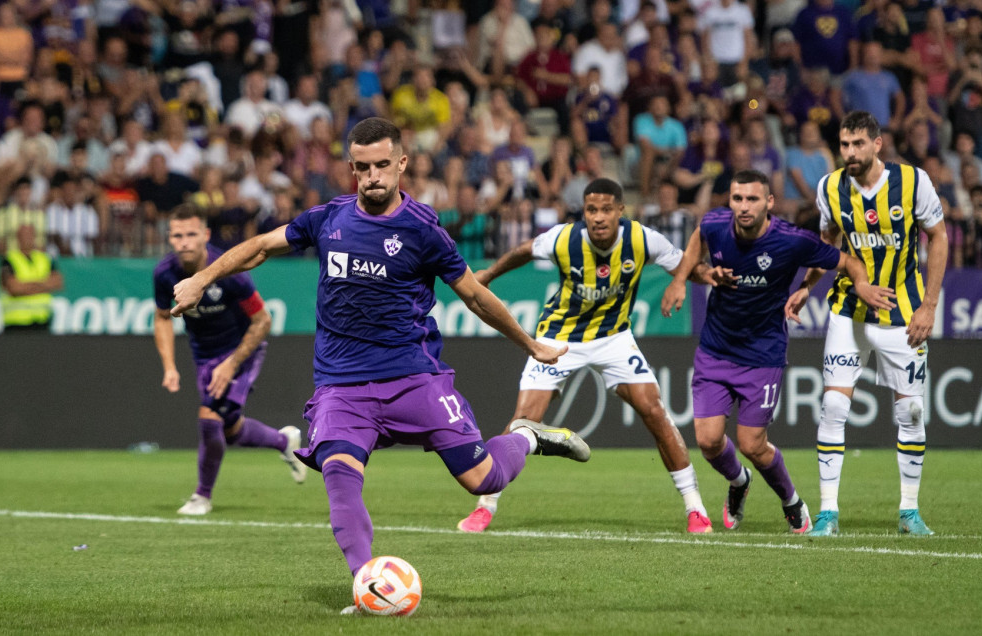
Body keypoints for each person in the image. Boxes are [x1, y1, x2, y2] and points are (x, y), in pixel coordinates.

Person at [170, 118, 590, 606]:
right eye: (362, 167)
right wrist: (203, 278)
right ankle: (367, 584)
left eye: (383, 165)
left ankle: (526, 436)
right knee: (340, 482)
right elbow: (262, 246)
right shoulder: (329, 218)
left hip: (414, 378)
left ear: (402, 164)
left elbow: (474, 295)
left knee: (483, 478)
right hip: (342, 387)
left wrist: (532, 344)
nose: (373, 175)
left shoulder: (423, 230)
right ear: (351, 168)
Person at [456, 176, 714, 535]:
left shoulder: (641, 238)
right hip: (559, 337)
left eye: (606, 210)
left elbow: (683, 265)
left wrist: (709, 276)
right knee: (522, 422)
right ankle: (485, 506)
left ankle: (695, 509)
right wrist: (489, 274)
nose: (598, 217)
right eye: (592, 209)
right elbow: (524, 250)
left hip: (613, 338)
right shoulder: (565, 238)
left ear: (620, 211)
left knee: (654, 410)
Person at [662, 170, 896, 534]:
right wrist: (682, 280)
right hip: (715, 349)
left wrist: (857, 285)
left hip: (763, 354)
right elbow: (698, 240)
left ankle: (792, 502)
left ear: (769, 202)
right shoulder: (715, 224)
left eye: (752, 199)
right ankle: (739, 481)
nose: (743, 206)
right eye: (737, 199)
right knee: (708, 441)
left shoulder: (792, 241)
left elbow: (848, 261)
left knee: (752, 444)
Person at [788, 111, 948, 536]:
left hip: (904, 312)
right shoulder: (829, 187)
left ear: (878, 144)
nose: (850, 153)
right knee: (834, 406)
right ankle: (827, 513)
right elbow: (827, 243)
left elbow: (940, 236)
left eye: (858, 144)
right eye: (844, 145)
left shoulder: (914, 182)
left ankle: (909, 512)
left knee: (911, 410)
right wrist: (807, 285)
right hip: (849, 310)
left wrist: (929, 305)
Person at [153, 206, 307, 517]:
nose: (184, 242)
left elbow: (262, 321)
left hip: (241, 351)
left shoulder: (229, 274)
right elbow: (162, 318)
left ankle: (202, 496)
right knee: (229, 429)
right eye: (177, 235)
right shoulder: (164, 273)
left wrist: (232, 363)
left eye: (191, 234)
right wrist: (169, 366)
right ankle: (283, 441)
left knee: (210, 418)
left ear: (205, 236)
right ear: (170, 238)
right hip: (204, 355)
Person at [0, 224, 63, 332]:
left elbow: (57, 282)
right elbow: (14, 288)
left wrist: (25, 286)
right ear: (18, 237)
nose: (27, 238)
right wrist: (43, 285)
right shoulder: (8, 260)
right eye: (24, 235)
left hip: (42, 322)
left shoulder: (45, 258)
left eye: (30, 235)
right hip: (15, 324)